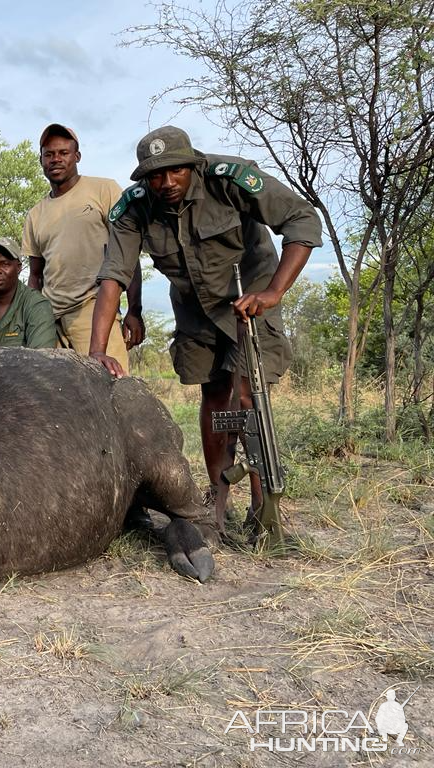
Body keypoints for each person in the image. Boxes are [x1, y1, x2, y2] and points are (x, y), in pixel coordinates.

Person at [90, 126, 322, 524]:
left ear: (192, 165)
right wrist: (97, 349)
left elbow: (301, 219)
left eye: (175, 172)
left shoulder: (230, 178)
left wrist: (274, 292)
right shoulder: (133, 208)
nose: (166, 183)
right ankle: (218, 500)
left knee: (250, 398)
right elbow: (113, 275)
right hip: (194, 306)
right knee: (213, 397)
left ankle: (263, 505)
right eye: (155, 176)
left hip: (251, 298)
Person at [22, 123, 144, 364]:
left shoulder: (104, 189)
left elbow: (127, 254)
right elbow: (35, 277)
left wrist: (134, 310)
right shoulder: (35, 214)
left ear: (76, 156)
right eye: (49, 154)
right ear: (41, 160)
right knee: (51, 392)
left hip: (93, 308)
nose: (56, 159)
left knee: (110, 386)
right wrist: (32, 319)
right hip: (49, 317)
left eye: (63, 153)